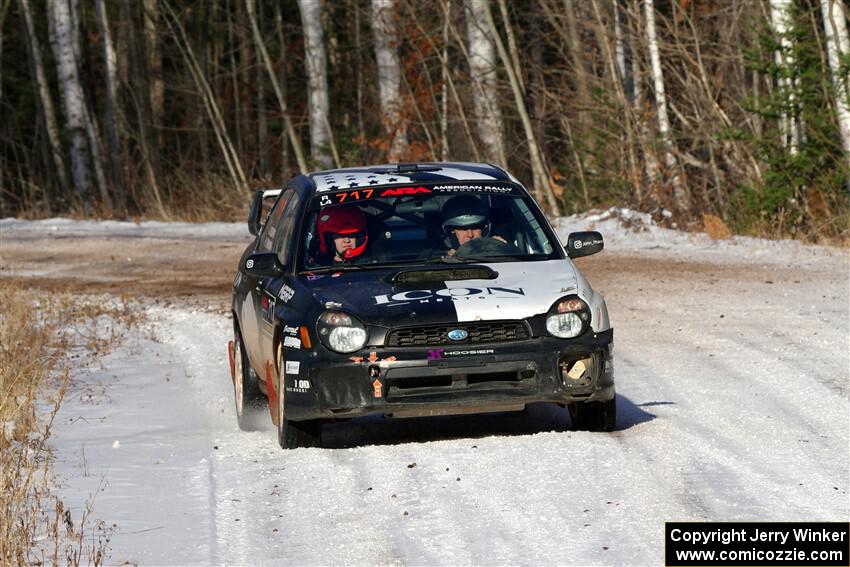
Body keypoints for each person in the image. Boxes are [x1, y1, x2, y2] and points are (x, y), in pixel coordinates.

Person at [441, 195, 509, 256]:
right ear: (451, 231)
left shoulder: (495, 248)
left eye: (475, 227)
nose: (470, 235)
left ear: (485, 229)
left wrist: (502, 249)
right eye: (463, 228)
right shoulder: (438, 259)